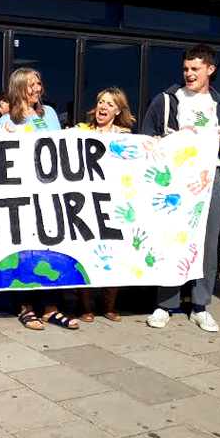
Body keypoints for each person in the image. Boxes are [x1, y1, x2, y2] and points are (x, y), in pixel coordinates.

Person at [142, 44, 220, 333]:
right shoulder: (167, 100)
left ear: (210, 69)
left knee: (207, 246)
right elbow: (147, 139)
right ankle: (165, 304)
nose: (189, 74)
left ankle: (200, 305)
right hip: (175, 185)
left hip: (210, 183)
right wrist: (173, 139)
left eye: (195, 69)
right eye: (185, 68)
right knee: (171, 241)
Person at [0, 68, 78, 331]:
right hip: (21, 196)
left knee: (51, 248)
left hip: (48, 193)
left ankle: (51, 307)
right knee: (24, 251)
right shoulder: (6, 121)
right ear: (18, 87)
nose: (37, 89)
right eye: (31, 84)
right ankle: (24, 306)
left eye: (39, 83)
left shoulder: (50, 114)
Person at [75, 87, 136, 322]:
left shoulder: (126, 136)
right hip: (88, 201)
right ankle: (85, 305)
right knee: (88, 250)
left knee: (115, 252)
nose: (103, 107)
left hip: (115, 201)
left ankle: (108, 304)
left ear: (118, 110)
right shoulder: (81, 131)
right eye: (101, 102)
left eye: (110, 104)